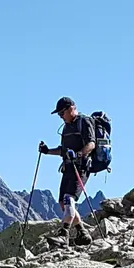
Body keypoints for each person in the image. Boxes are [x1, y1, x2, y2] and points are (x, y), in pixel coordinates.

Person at [38, 97, 96, 239]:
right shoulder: (66, 127)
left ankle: (63, 235)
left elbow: (91, 144)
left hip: (81, 167)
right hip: (68, 168)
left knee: (69, 199)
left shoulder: (84, 122)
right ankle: (82, 233)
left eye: (61, 113)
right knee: (63, 203)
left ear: (71, 109)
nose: (60, 117)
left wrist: (78, 154)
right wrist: (47, 151)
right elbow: (63, 150)